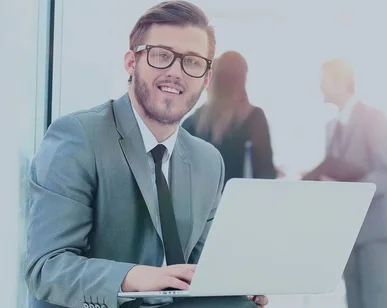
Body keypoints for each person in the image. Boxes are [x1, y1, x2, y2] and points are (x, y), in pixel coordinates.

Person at [24, 1, 268, 307]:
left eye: (192, 62)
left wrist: (236, 283)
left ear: (206, 78)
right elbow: (46, 268)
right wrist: (134, 277)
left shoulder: (207, 161)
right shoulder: (77, 137)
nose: (175, 72)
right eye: (161, 56)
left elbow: (201, 271)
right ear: (131, 62)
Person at [305, 58, 387, 308]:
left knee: (376, 299)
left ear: (340, 82)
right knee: (354, 300)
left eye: (323, 82)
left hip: (375, 227)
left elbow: (386, 172)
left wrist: (352, 192)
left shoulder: (373, 117)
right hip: (346, 229)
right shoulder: (330, 127)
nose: (320, 88)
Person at [182, 51, 277, 183]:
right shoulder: (254, 119)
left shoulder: (190, 123)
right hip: (238, 201)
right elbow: (266, 173)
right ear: (242, 80)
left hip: (198, 202)